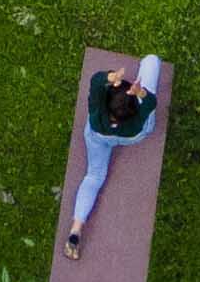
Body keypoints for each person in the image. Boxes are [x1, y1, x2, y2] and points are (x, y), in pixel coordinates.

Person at [60, 53, 160, 261]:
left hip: (98, 136)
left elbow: (96, 81)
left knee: (94, 176)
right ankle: (147, 66)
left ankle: (76, 229)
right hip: (129, 137)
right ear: (134, 110)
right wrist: (140, 92)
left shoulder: (97, 112)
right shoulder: (136, 123)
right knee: (151, 60)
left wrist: (110, 77)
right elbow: (150, 103)